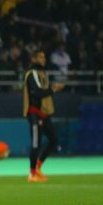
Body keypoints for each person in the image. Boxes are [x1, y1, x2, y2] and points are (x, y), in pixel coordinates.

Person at [23, 49, 64, 182]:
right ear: (33, 59)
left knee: (53, 140)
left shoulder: (41, 73)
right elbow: (38, 92)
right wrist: (53, 88)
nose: (43, 60)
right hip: (34, 113)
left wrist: (52, 88)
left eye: (44, 57)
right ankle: (32, 173)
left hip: (43, 113)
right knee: (36, 143)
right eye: (40, 57)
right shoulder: (32, 73)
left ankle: (38, 167)